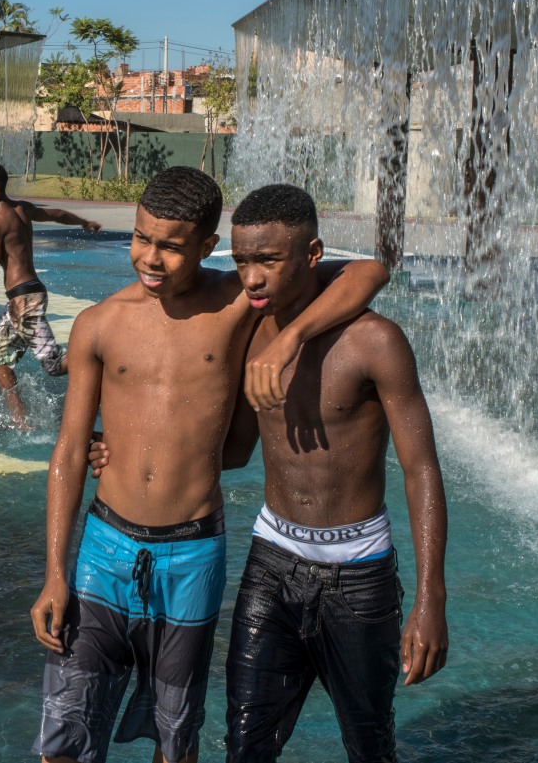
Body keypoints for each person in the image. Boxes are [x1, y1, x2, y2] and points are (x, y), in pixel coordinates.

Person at [29, 167, 389, 763]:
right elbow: (69, 452)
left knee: (176, 738)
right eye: (142, 237)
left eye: (172, 245)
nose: (151, 256)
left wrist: (292, 335)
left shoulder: (236, 303)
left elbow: (369, 271)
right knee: (64, 736)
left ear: (206, 246)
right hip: (103, 547)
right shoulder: (99, 323)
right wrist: (54, 572)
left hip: (193, 550)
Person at [221, 184, 448, 763]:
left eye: (269, 260)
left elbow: (421, 470)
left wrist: (430, 598)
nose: (252, 277)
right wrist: (121, 451)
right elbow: (236, 452)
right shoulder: (248, 330)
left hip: (359, 575)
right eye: (242, 260)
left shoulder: (375, 342)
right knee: (245, 744)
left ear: (313, 254)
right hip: (270, 561)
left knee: (369, 746)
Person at [0, 161, 102, 429]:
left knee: (54, 366)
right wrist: (83, 222)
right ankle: (20, 418)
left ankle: (104, 355)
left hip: (24, 302)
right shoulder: (21, 209)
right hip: (28, 295)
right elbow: (55, 214)